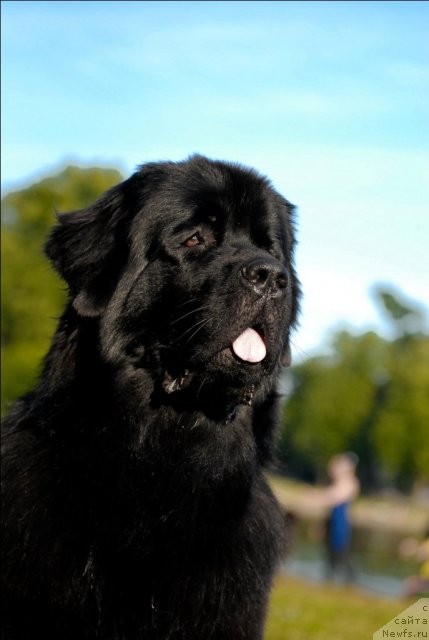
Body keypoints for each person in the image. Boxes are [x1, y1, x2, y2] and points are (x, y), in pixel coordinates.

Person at [321, 452, 360, 582]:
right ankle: (330, 579)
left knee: (342, 553)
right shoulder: (337, 483)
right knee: (329, 554)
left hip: (341, 524)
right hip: (332, 521)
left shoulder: (351, 483)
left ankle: (349, 581)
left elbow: (336, 496)